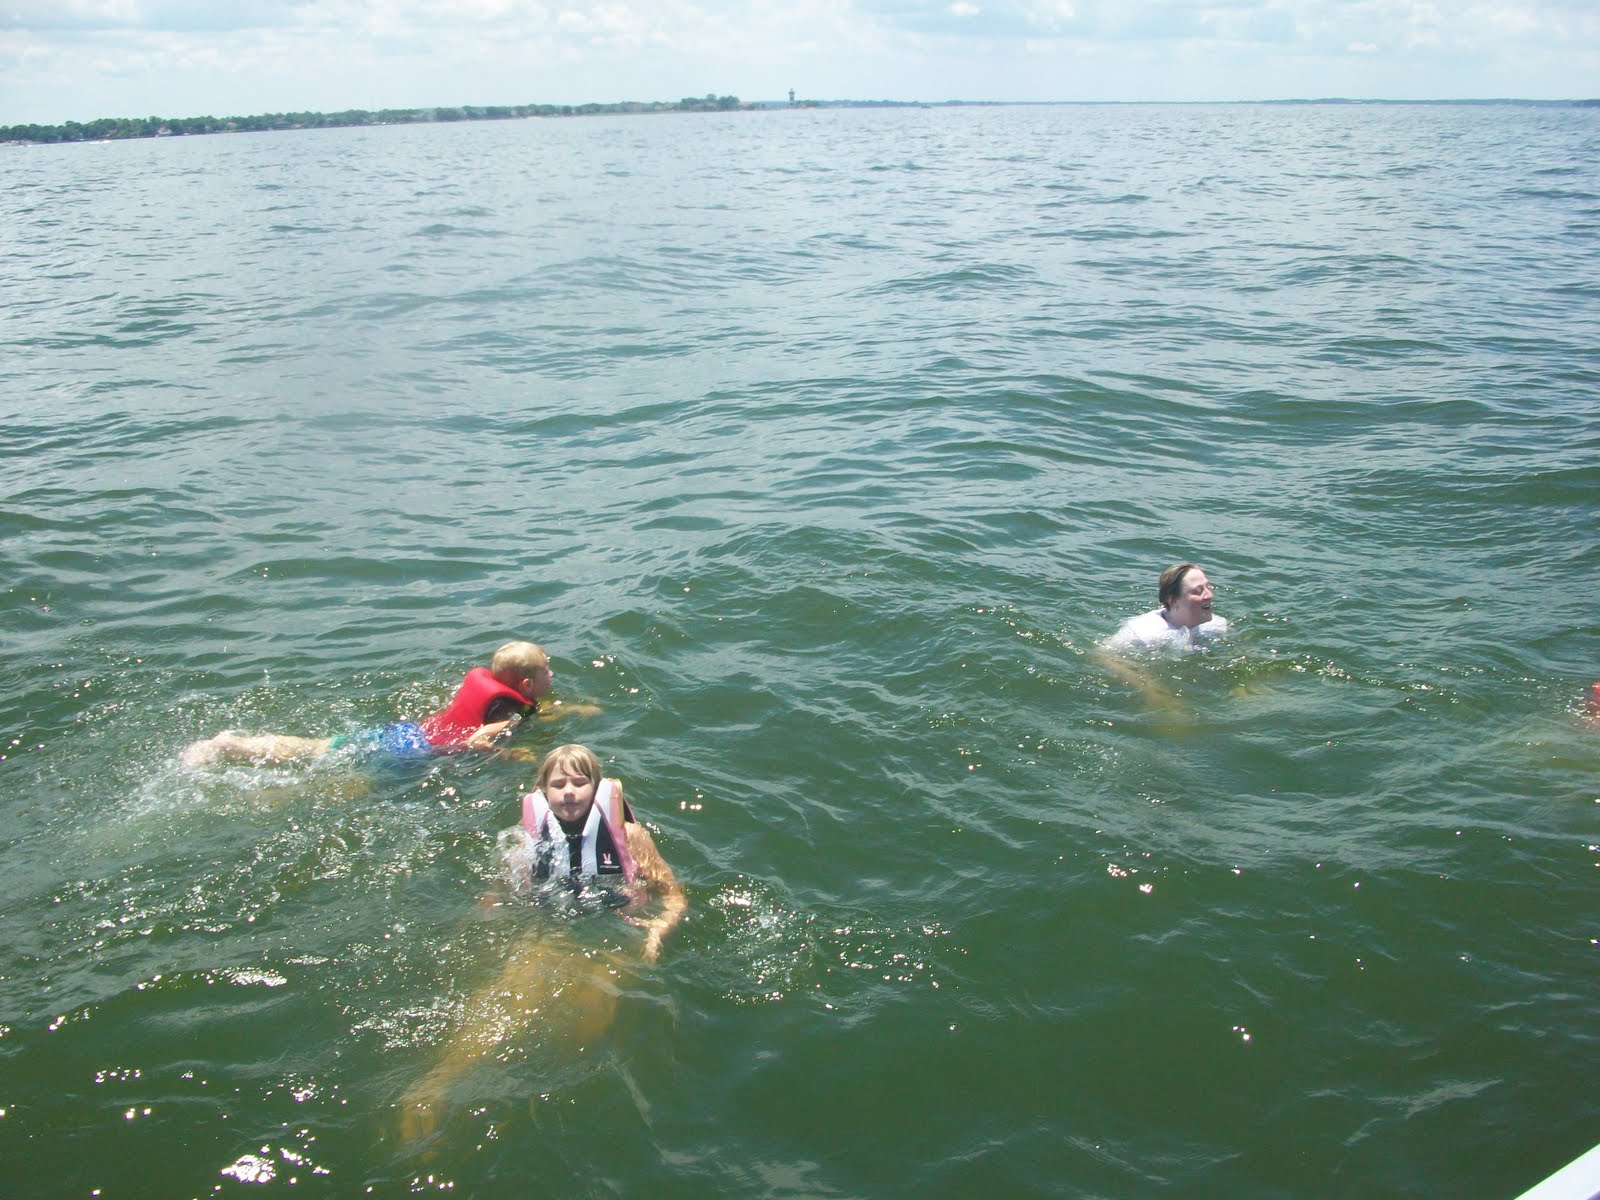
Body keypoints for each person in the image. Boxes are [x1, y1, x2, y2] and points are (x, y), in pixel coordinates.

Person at [397, 744, 685, 1143]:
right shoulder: (526, 843)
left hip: (613, 933)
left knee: (589, 1021)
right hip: (552, 931)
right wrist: (483, 919)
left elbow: (674, 896)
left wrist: (656, 929)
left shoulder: (631, 837)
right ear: (543, 792)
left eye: (580, 783)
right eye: (559, 783)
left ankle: (563, 1102)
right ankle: (435, 1085)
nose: (569, 792)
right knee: (506, 1003)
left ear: (597, 788)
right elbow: (499, 892)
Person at [179, 640, 587, 766]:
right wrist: (517, 756)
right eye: (548, 671)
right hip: (416, 753)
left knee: (321, 748)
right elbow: (481, 738)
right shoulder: (508, 712)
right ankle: (233, 753)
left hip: (406, 732)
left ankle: (234, 745)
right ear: (528, 683)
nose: (554, 674)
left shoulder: (492, 689)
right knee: (328, 773)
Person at [1106, 562, 1229, 652]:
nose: (1209, 595)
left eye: (1208, 587)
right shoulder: (1141, 632)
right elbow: (1105, 656)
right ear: (1173, 601)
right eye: (1197, 591)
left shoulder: (1217, 625)